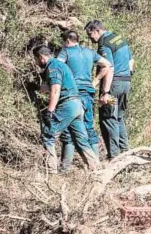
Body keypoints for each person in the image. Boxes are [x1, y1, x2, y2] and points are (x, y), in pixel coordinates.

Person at [33, 45, 99, 174]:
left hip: (67, 105)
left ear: (41, 57)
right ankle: (96, 169)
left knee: (48, 136)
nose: (36, 62)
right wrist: (37, 87)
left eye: (36, 59)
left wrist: (50, 111)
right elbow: (54, 86)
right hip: (77, 105)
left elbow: (56, 89)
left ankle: (50, 172)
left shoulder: (53, 67)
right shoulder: (60, 65)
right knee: (80, 140)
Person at [57, 30, 113, 172]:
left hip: (73, 94)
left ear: (67, 41)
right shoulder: (89, 52)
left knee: (69, 130)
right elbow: (107, 65)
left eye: (63, 42)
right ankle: (97, 168)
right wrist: (95, 81)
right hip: (88, 94)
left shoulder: (66, 52)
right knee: (89, 128)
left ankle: (64, 169)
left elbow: (57, 67)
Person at [85, 20, 134, 160]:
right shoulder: (119, 38)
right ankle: (125, 152)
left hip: (113, 86)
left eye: (90, 34)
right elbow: (131, 61)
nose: (90, 38)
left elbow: (109, 67)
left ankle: (114, 156)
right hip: (125, 83)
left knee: (108, 118)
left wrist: (105, 91)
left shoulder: (104, 43)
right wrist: (127, 75)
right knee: (119, 118)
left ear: (97, 31)